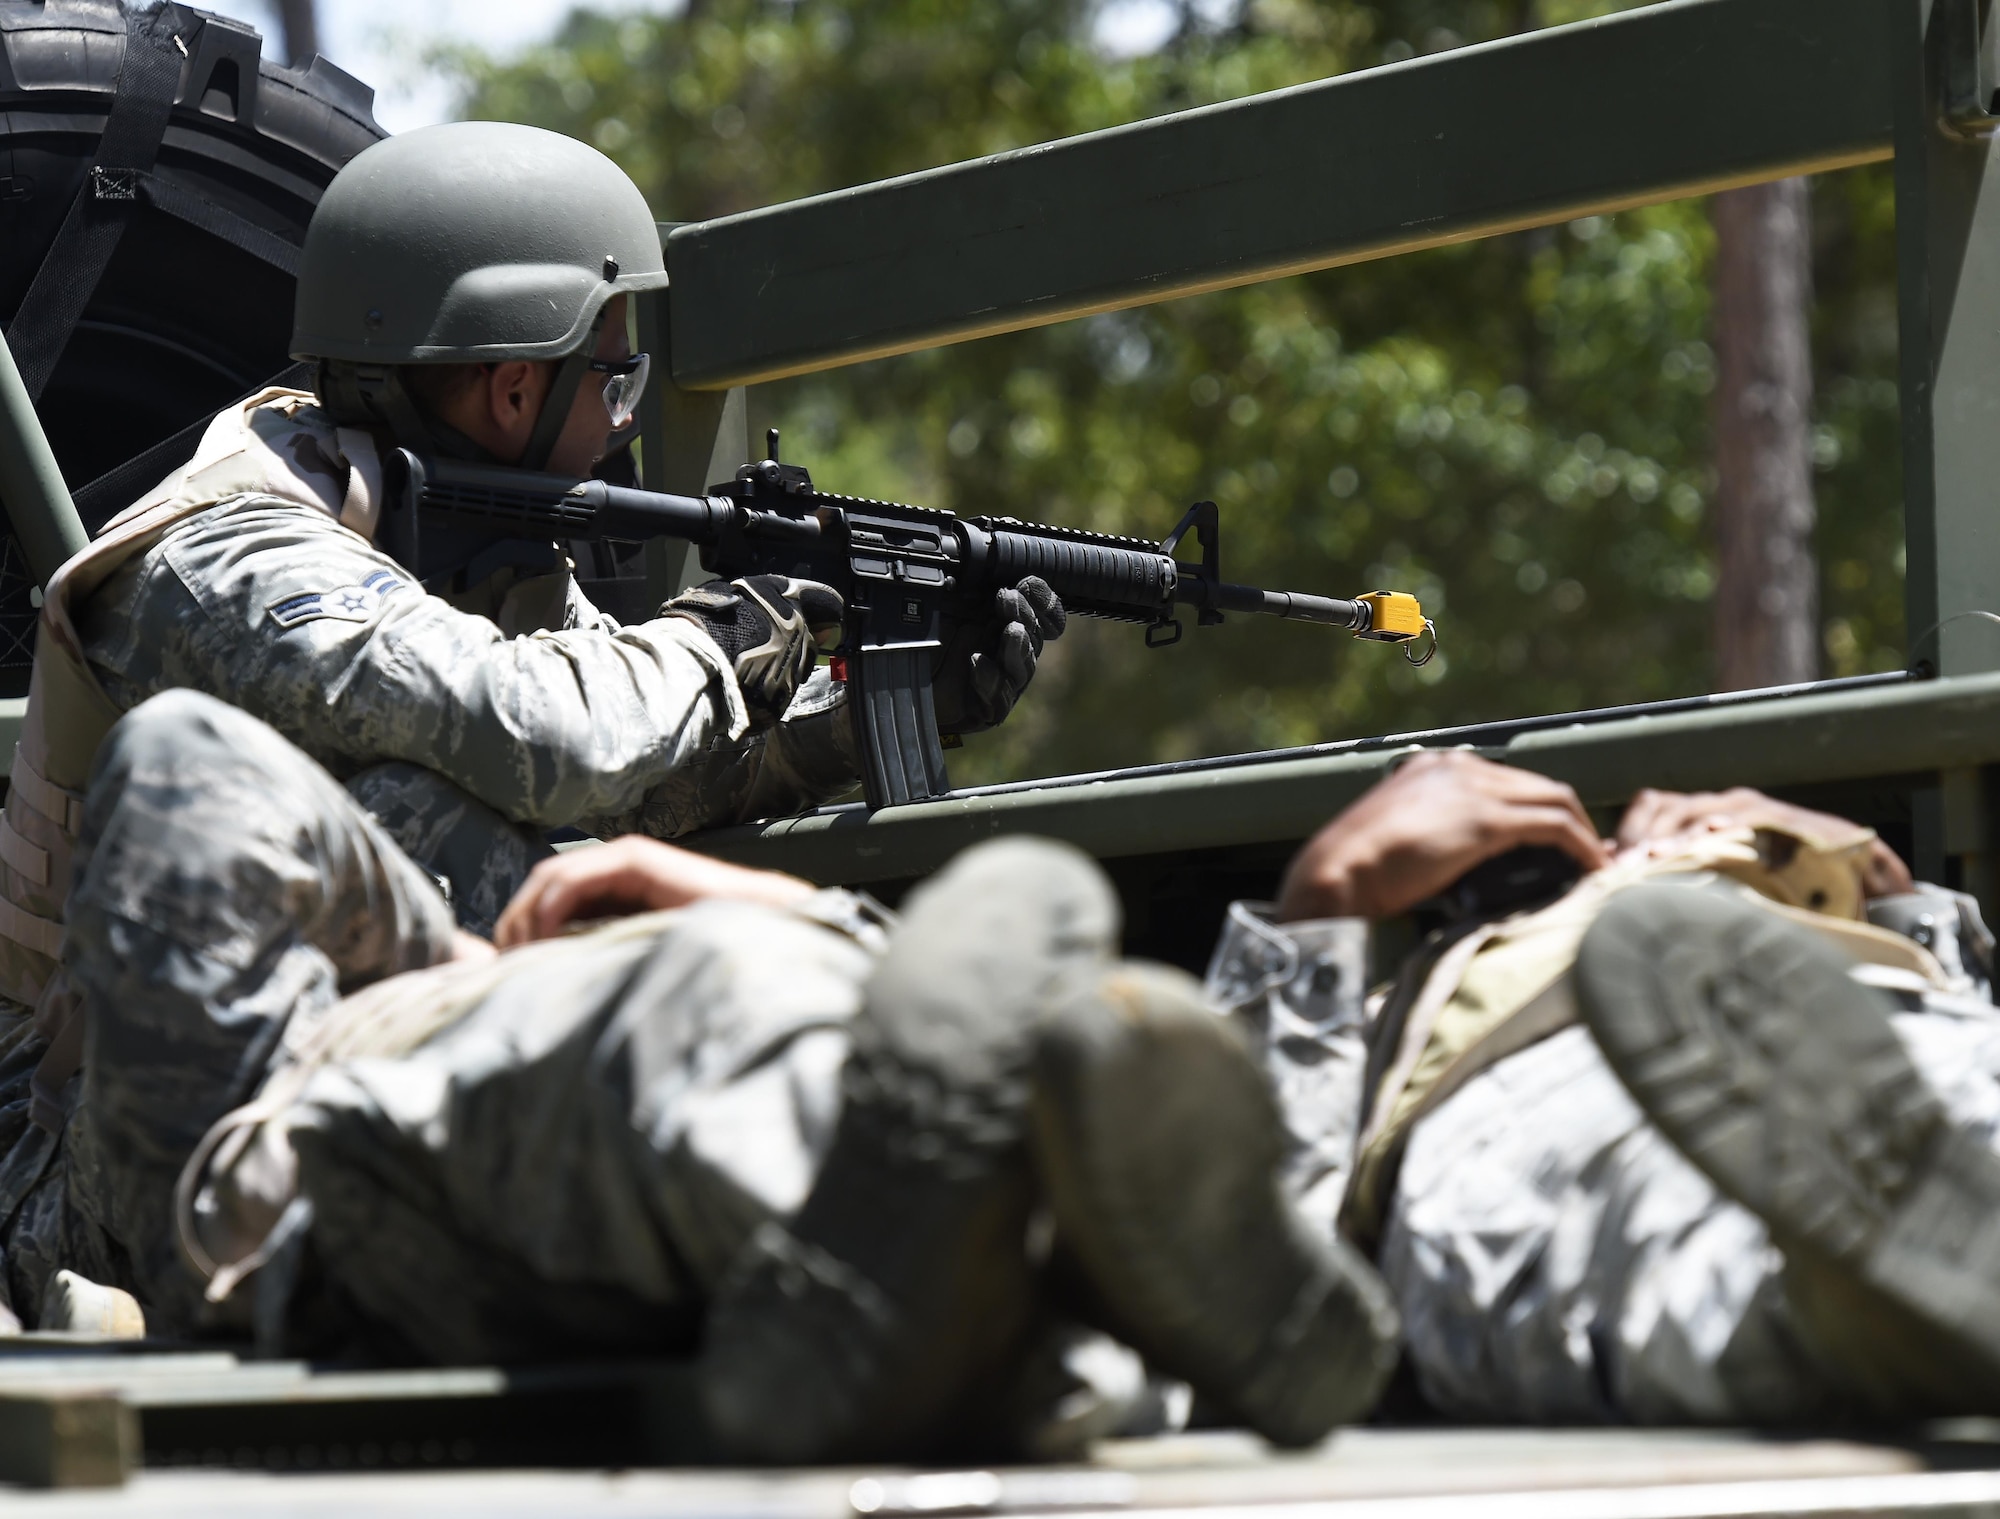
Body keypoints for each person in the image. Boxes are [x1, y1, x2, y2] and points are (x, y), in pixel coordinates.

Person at [0, 120, 1061, 1283]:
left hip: (287, 1092)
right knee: (427, 814)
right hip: (77, 1166)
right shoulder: (231, 558)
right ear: (511, 386)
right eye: (616, 378)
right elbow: (544, 734)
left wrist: (844, 727)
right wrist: (730, 631)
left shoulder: (479, 546)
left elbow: (636, 779)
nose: (625, 419)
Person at [2, 689, 1397, 1464]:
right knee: (713, 1001)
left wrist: (694, 891)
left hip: (512, 1079)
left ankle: (995, 1298)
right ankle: (1035, 1304)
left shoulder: (319, 1027)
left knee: (732, 1004)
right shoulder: (252, 1123)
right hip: (396, 1135)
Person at [1213, 748, 2000, 1424]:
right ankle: (1860, 1315)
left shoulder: (1811, 937)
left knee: (1957, 1104)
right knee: (1676, 1229)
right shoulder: (1390, 1017)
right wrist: (1324, 897)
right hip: (1550, 1087)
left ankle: (1884, 1310)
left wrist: (1884, 886)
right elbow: (1264, 1264)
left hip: (1893, 1018)